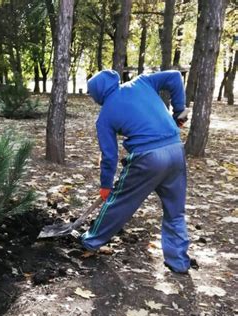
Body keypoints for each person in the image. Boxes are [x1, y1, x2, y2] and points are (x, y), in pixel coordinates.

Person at [81, 69, 191, 273]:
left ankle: (91, 241)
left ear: (97, 93)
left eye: (90, 93)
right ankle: (179, 262)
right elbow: (175, 76)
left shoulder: (105, 116)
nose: (91, 97)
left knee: (120, 203)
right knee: (175, 211)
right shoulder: (142, 82)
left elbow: (109, 156)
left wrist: (106, 185)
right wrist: (179, 109)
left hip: (147, 159)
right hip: (176, 151)